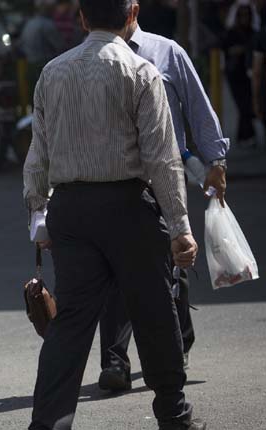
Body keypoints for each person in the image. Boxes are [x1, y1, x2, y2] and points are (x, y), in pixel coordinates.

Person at [23, 0, 205, 429]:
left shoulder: (53, 71)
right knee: (155, 314)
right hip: (128, 209)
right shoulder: (140, 71)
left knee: (69, 326)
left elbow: (38, 155)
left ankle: (47, 424)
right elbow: (162, 158)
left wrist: (38, 214)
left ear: (82, 18)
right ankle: (174, 417)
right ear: (131, 15)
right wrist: (180, 227)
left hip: (70, 209)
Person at [97, 0, 230, 392]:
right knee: (115, 274)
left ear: (133, 11)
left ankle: (179, 345)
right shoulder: (88, 60)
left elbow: (197, 107)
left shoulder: (166, 52)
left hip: (165, 178)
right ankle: (115, 361)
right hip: (114, 181)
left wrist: (216, 160)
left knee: (173, 267)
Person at [223, 2, 258, 147]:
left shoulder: (253, 33)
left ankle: (245, 136)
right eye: (242, 15)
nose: (244, 18)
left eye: (247, 15)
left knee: (248, 105)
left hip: (249, 74)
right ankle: (247, 136)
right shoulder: (231, 33)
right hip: (235, 75)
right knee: (243, 105)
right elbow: (224, 49)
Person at [20, 0, 65, 65]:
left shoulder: (29, 23)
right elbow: (60, 47)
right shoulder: (47, 24)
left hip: (31, 63)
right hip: (45, 64)